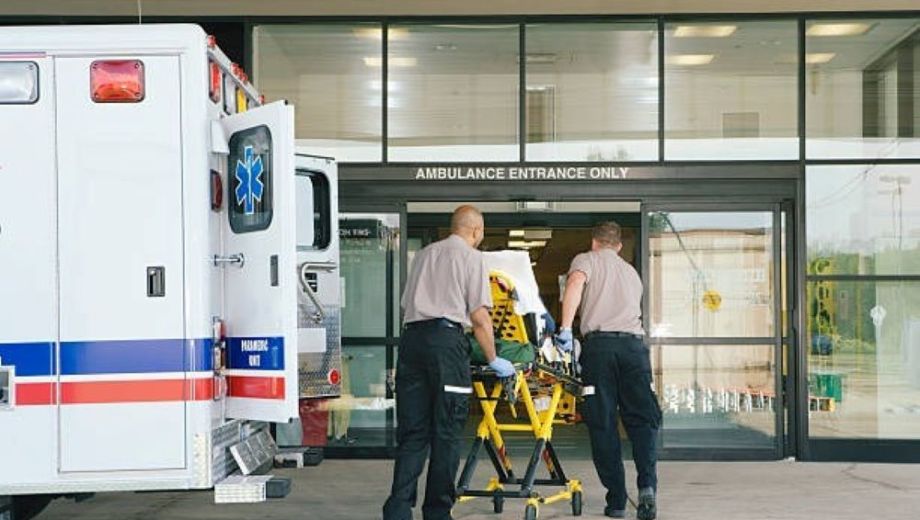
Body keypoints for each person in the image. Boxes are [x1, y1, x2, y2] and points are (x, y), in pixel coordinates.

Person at [383, 205, 516, 520]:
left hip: (412, 343)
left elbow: (406, 305)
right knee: (447, 432)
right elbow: (479, 316)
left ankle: (398, 510)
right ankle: (437, 512)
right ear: (475, 230)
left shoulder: (425, 255)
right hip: (446, 344)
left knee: (413, 433)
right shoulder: (472, 258)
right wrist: (494, 358)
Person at [556, 221, 661, 520]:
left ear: (594, 242)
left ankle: (616, 500)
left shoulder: (585, 259)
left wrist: (565, 328)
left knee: (602, 423)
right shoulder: (631, 272)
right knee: (642, 421)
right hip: (633, 349)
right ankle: (647, 488)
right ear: (617, 245)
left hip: (600, 349)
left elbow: (575, 284)